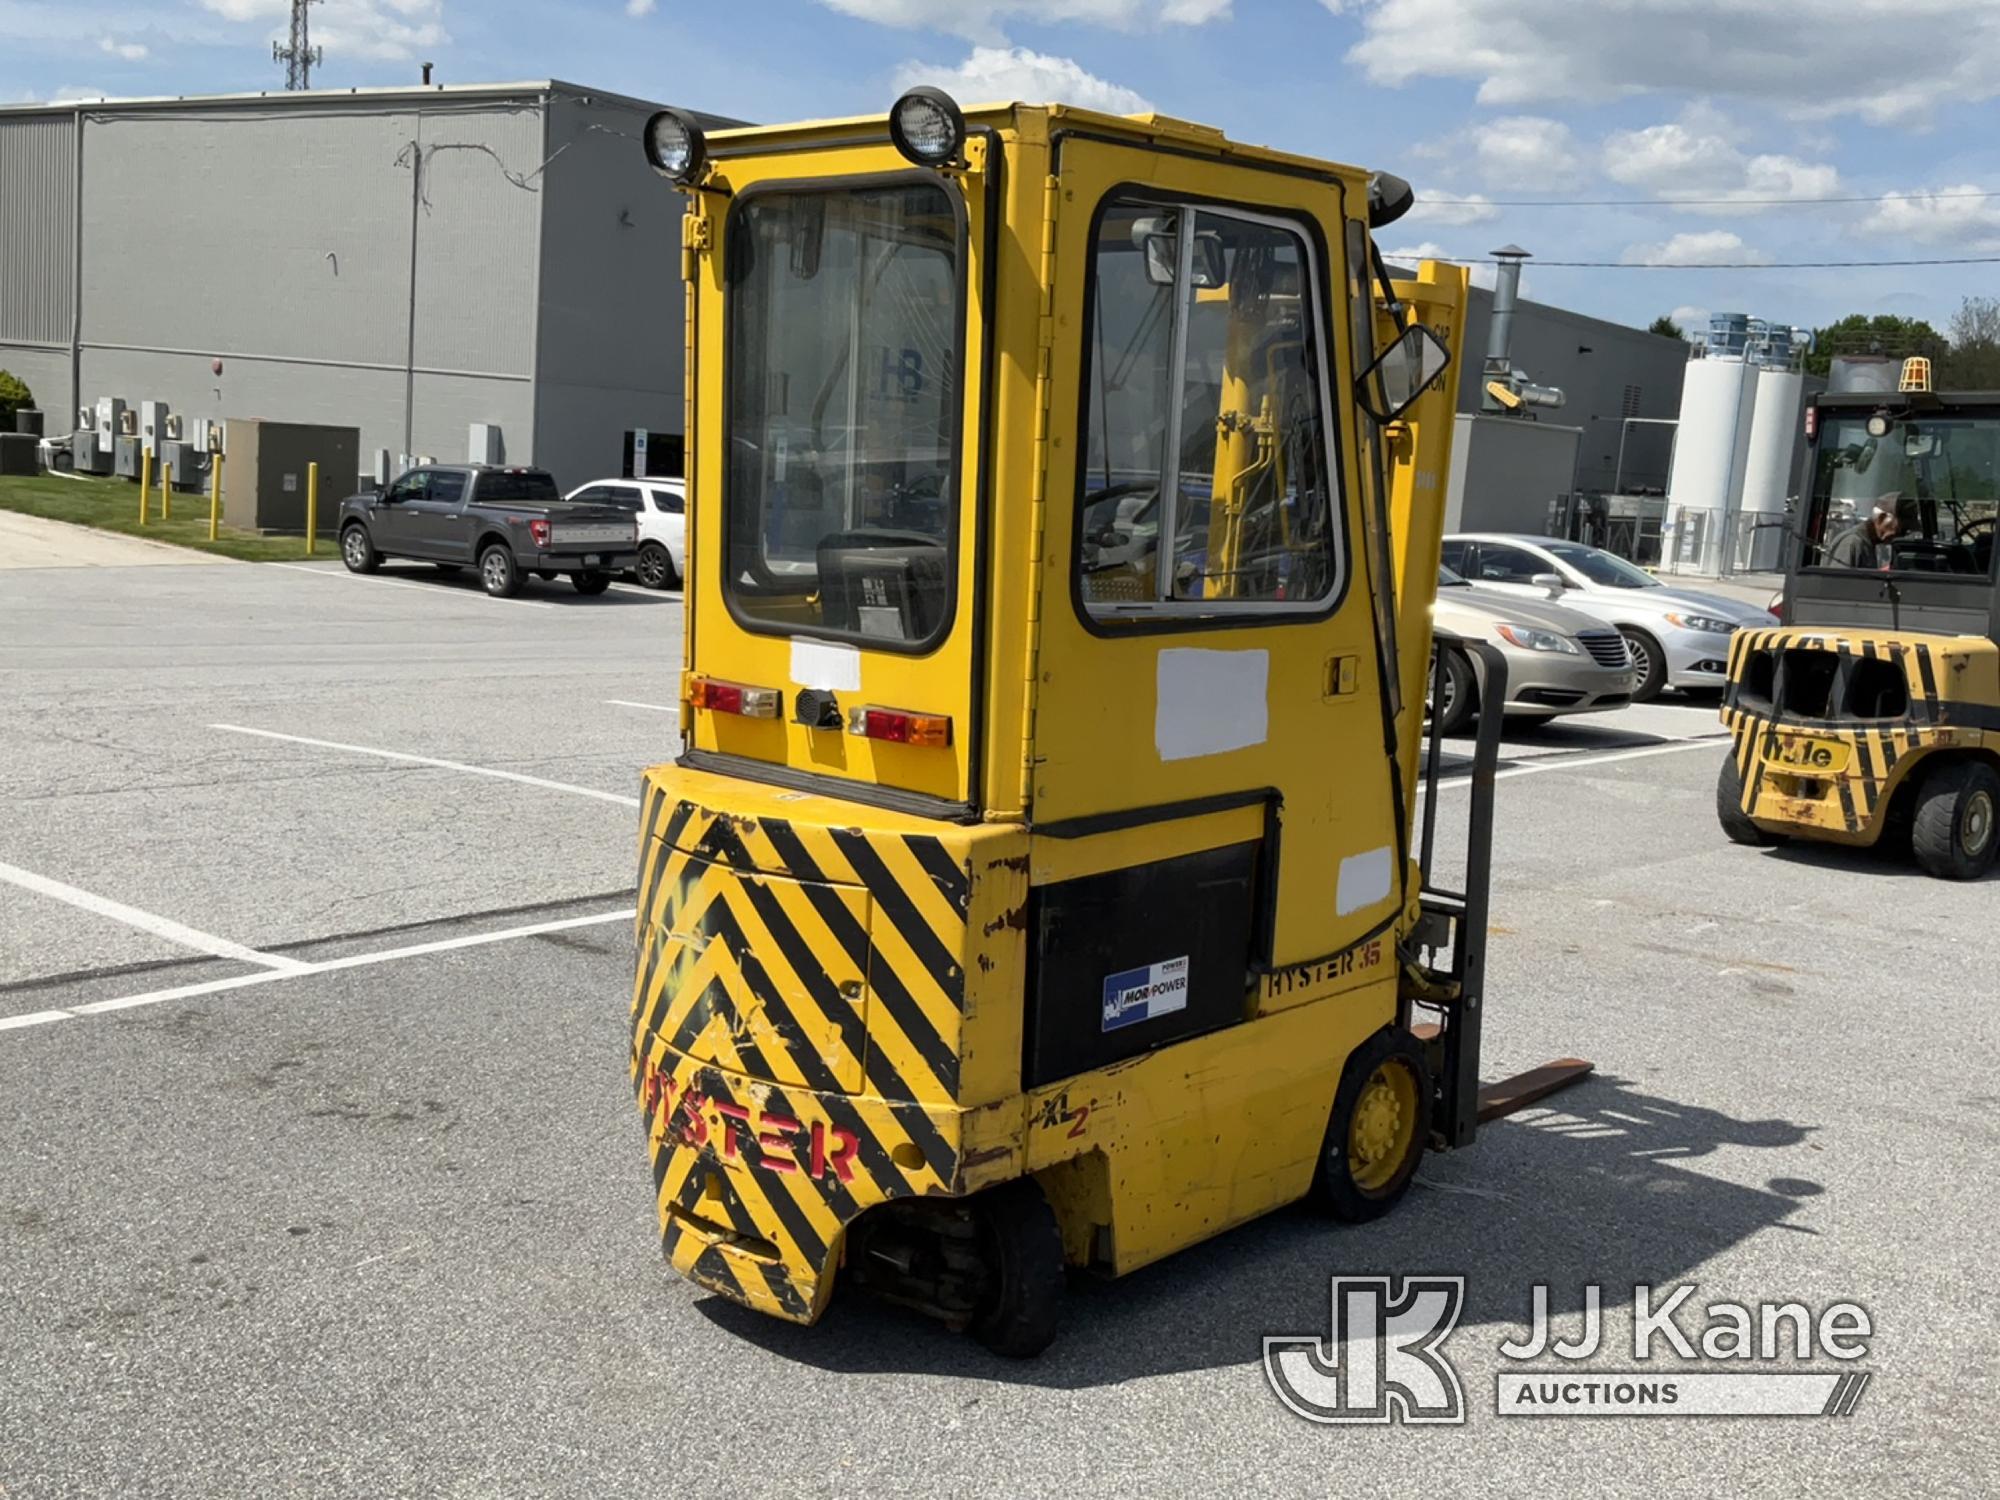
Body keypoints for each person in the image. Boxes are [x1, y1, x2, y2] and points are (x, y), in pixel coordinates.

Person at [1825, 495, 1905, 569]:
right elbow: (1837, 582)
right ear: (1882, 518)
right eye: (1901, 527)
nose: (1901, 534)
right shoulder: (1852, 542)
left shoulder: (1868, 544)